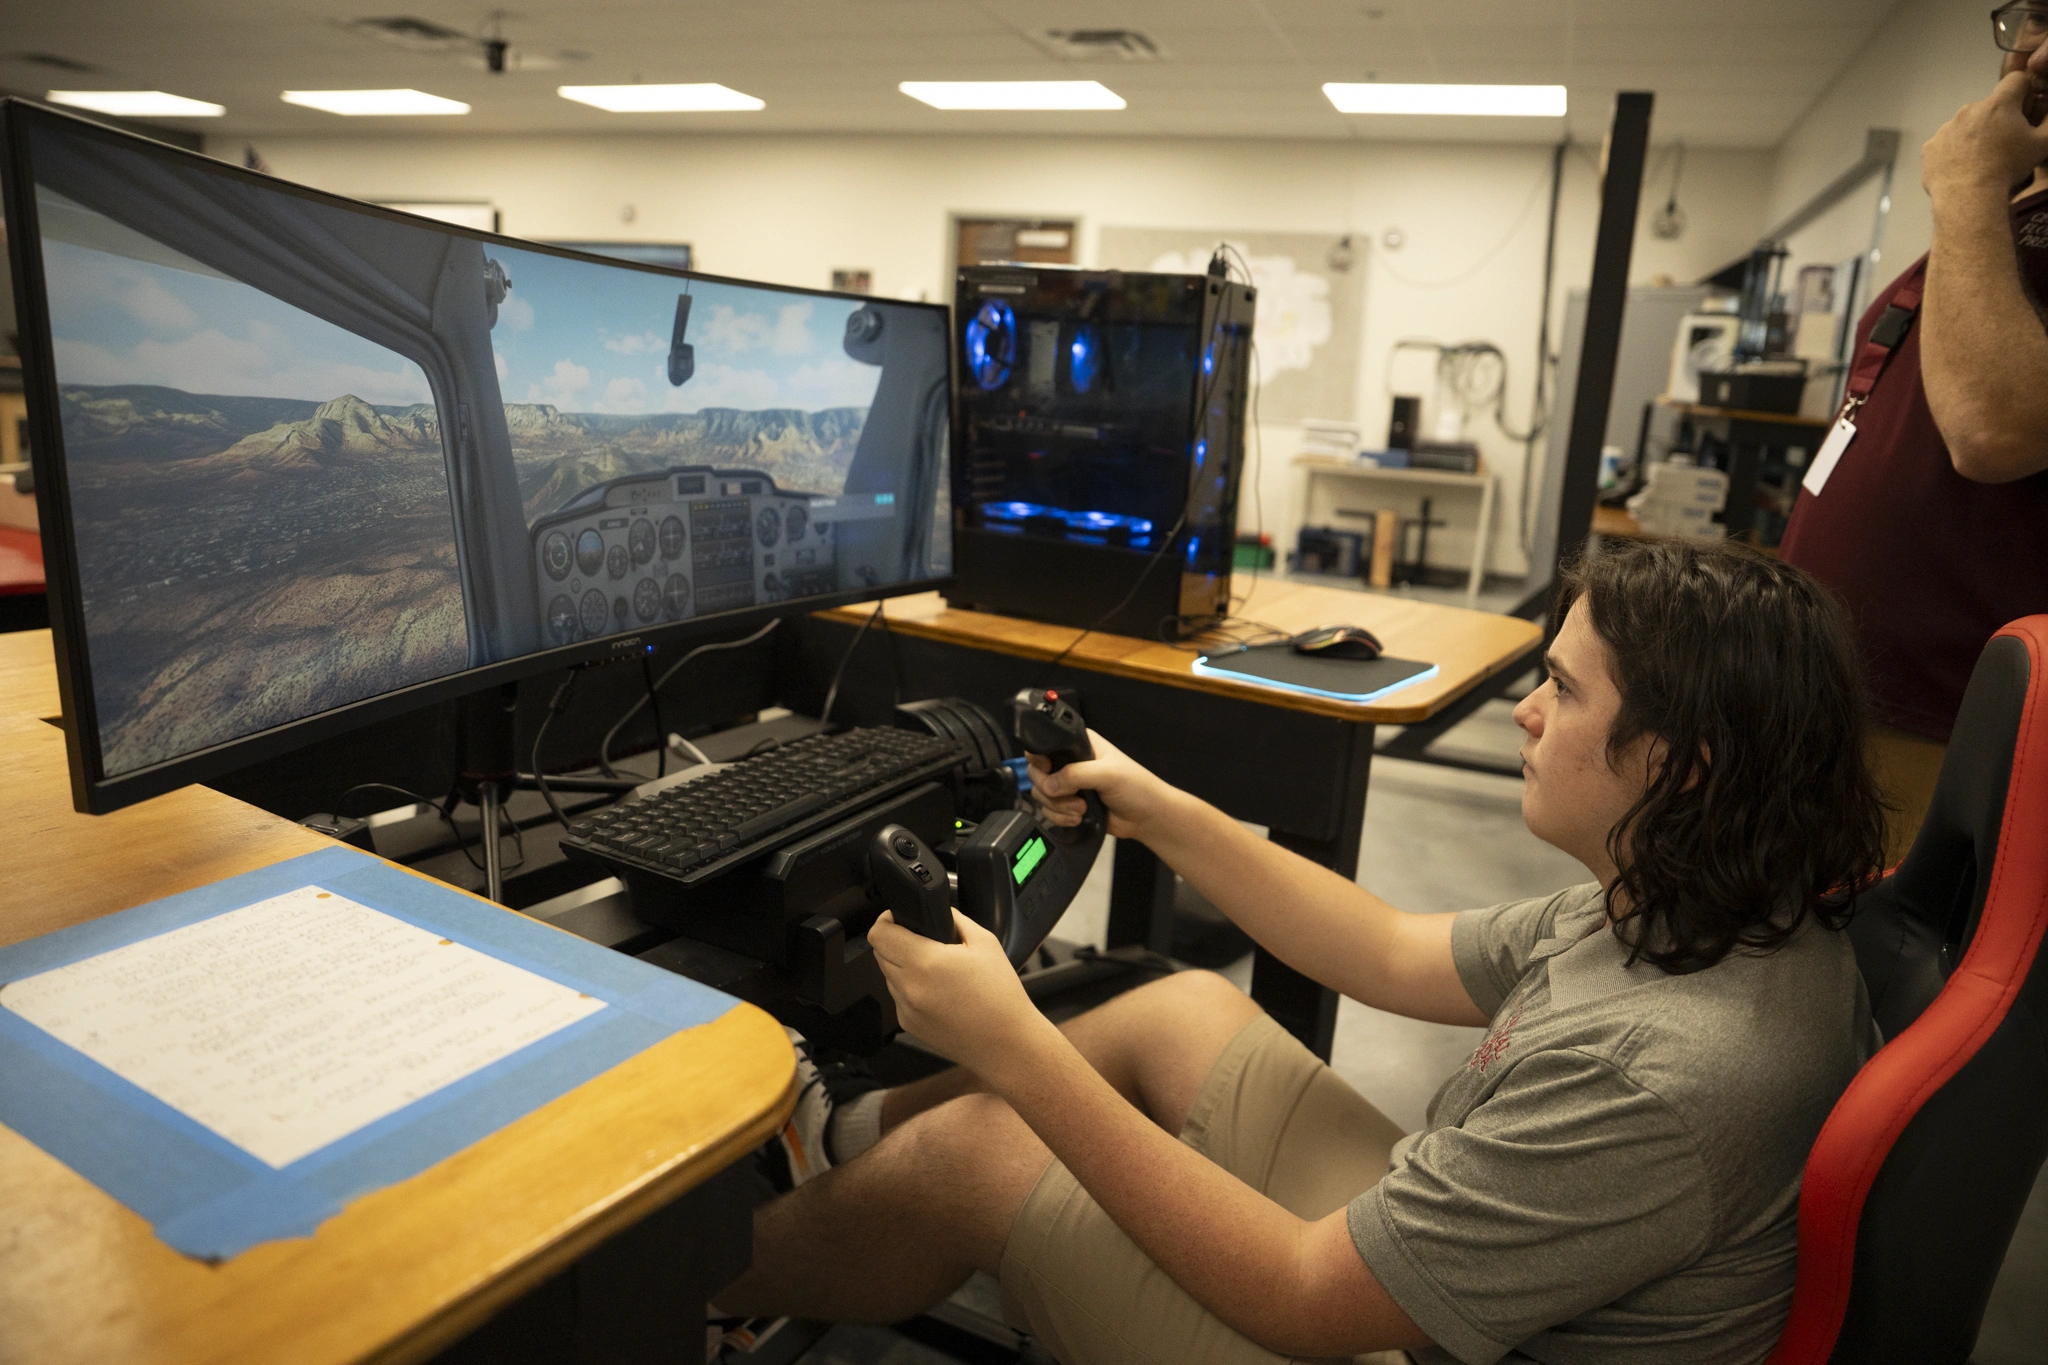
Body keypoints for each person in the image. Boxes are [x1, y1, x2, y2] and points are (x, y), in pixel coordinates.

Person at [716, 539, 1889, 1365]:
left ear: (1679, 763)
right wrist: (1150, 800)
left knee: (984, 1153)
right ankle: (835, 1154)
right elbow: (1379, 947)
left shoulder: (1661, 1070)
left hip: (1409, 1336)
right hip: (1483, 1286)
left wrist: (1012, 1044)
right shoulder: (1697, 902)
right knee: (1172, 1008)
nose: (1524, 713)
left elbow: (1295, 1296)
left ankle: (670, 1292)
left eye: (1563, 692)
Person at [1779, 0, 2048, 863]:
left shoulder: (1977, 201)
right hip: (1833, 699)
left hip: (1948, 732)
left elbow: (1994, 427)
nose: (2033, 52)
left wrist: (1968, 184)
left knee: (1882, 983)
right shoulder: (2003, 224)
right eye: (2032, 17)